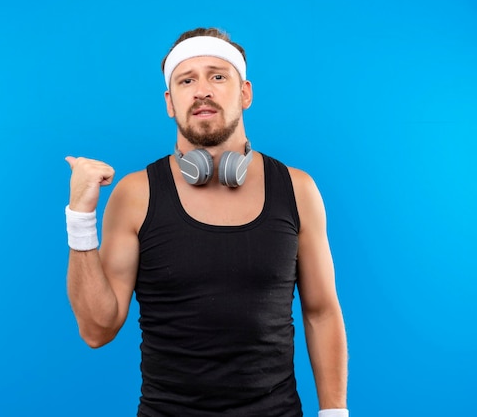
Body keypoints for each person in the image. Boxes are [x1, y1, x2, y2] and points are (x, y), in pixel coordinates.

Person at [64, 27, 349, 417]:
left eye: (217, 76)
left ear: (245, 92)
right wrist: (80, 216)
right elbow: (97, 330)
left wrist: (335, 413)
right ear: (170, 101)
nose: (202, 90)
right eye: (187, 80)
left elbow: (321, 311)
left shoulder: (297, 189)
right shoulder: (136, 195)